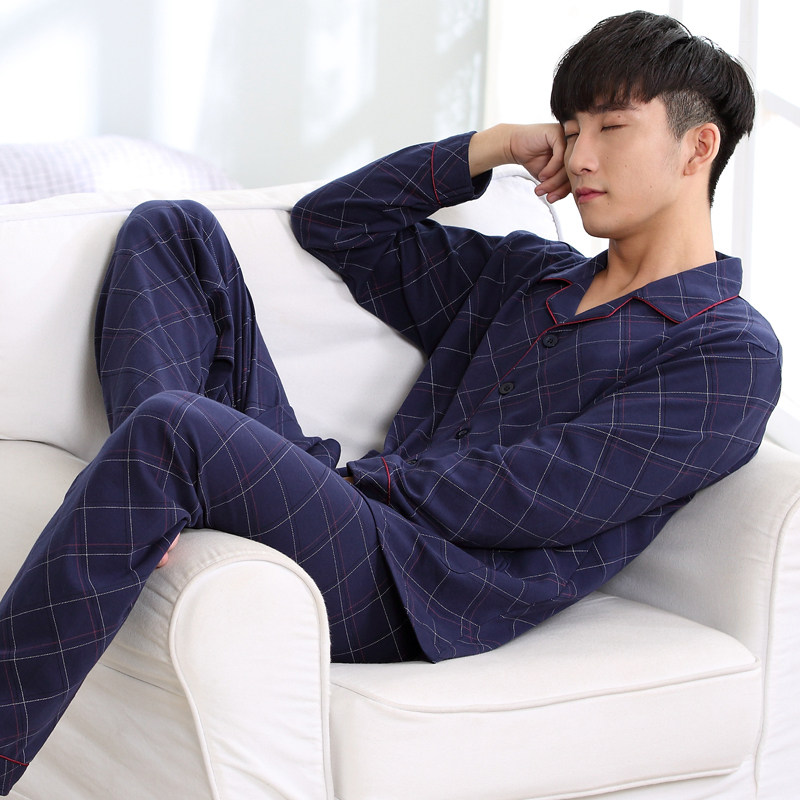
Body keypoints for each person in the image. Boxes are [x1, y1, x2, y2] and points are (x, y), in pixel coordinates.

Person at [0, 10, 781, 794]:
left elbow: (547, 493)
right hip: (353, 510)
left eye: (610, 127)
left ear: (698, 147)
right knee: (172, 229)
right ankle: (152, 503)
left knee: (175, 430)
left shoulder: (727, 353)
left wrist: (353, 484)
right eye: (570, 130)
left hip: (421, 586)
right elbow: (335, 224)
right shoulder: (529, 276)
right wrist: (492, 147)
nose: (579, 156)